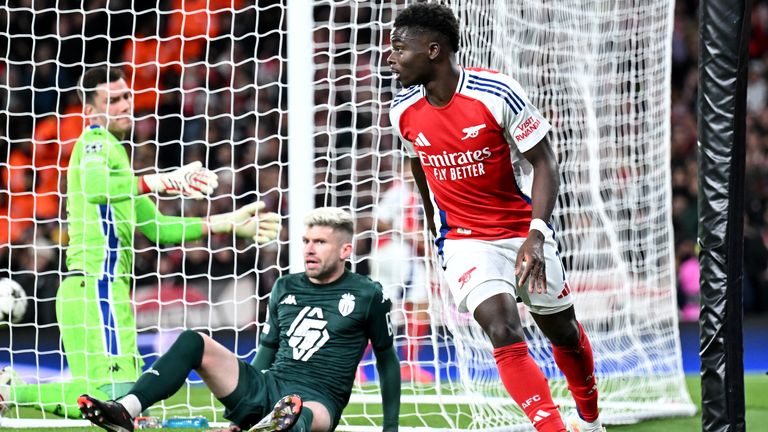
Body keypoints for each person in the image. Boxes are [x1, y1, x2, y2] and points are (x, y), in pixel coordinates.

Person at [0, 66, 281, 418]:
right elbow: (98, 188)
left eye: (127, 97)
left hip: (97, 290)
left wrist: (225, 223)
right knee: (116, 397)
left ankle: (13, 389)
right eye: (113, 100)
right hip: (95, 287)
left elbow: (159, 228)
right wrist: (162, 180)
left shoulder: (116, 157)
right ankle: (15, 391)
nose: (125, 105)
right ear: (90, 110)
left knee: (120, 398)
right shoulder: (95, 142)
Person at [387, 4, 603, 432]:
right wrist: (438, 236)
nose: (390, 58)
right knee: (502, 328)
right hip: (464, 240)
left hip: (522, 232)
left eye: (399, 48)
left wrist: (537, 236)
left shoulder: (496, 92)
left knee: (563, 331)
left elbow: (545, 162)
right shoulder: (403, 112)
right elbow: (419, 169)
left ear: (433, 50)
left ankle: (591, 419)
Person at [77, 207, 401, 432]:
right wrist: (246, 399)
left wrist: (390, 427)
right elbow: (268, 347)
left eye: (320, 242)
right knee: (193, 341)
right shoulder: (286, 286)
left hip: (318, 400)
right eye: (305, 241)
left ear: (345, 250)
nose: (309, 249)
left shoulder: (367, 294)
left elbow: (386, 360)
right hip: (269, 385)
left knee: (302, 413)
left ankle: (279, 426)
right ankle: (126, 409)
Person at [368, 172, 434, 383]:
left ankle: (406, 366)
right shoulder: (400, 190)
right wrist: (409, 235)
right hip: (396, 253)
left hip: (396, 255)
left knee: (390, 309)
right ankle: (408, 365)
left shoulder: (412, 192)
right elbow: (378, 220)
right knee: (417, 306)